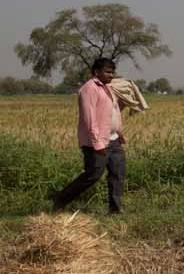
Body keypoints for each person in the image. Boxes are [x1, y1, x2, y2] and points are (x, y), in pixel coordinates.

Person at [51, 58, 127, 214]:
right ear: (96, 72)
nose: (111, 75)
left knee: (117, 174)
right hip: (97, 142)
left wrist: (119, 131)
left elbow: (113, 111)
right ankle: (61, 198)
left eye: (112, 72)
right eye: (107, 72)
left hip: (113, 139)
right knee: (93, 175)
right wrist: (97, 143)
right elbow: (89, 118)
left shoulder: (109, 88)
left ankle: (115, 209)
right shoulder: (89, 89)